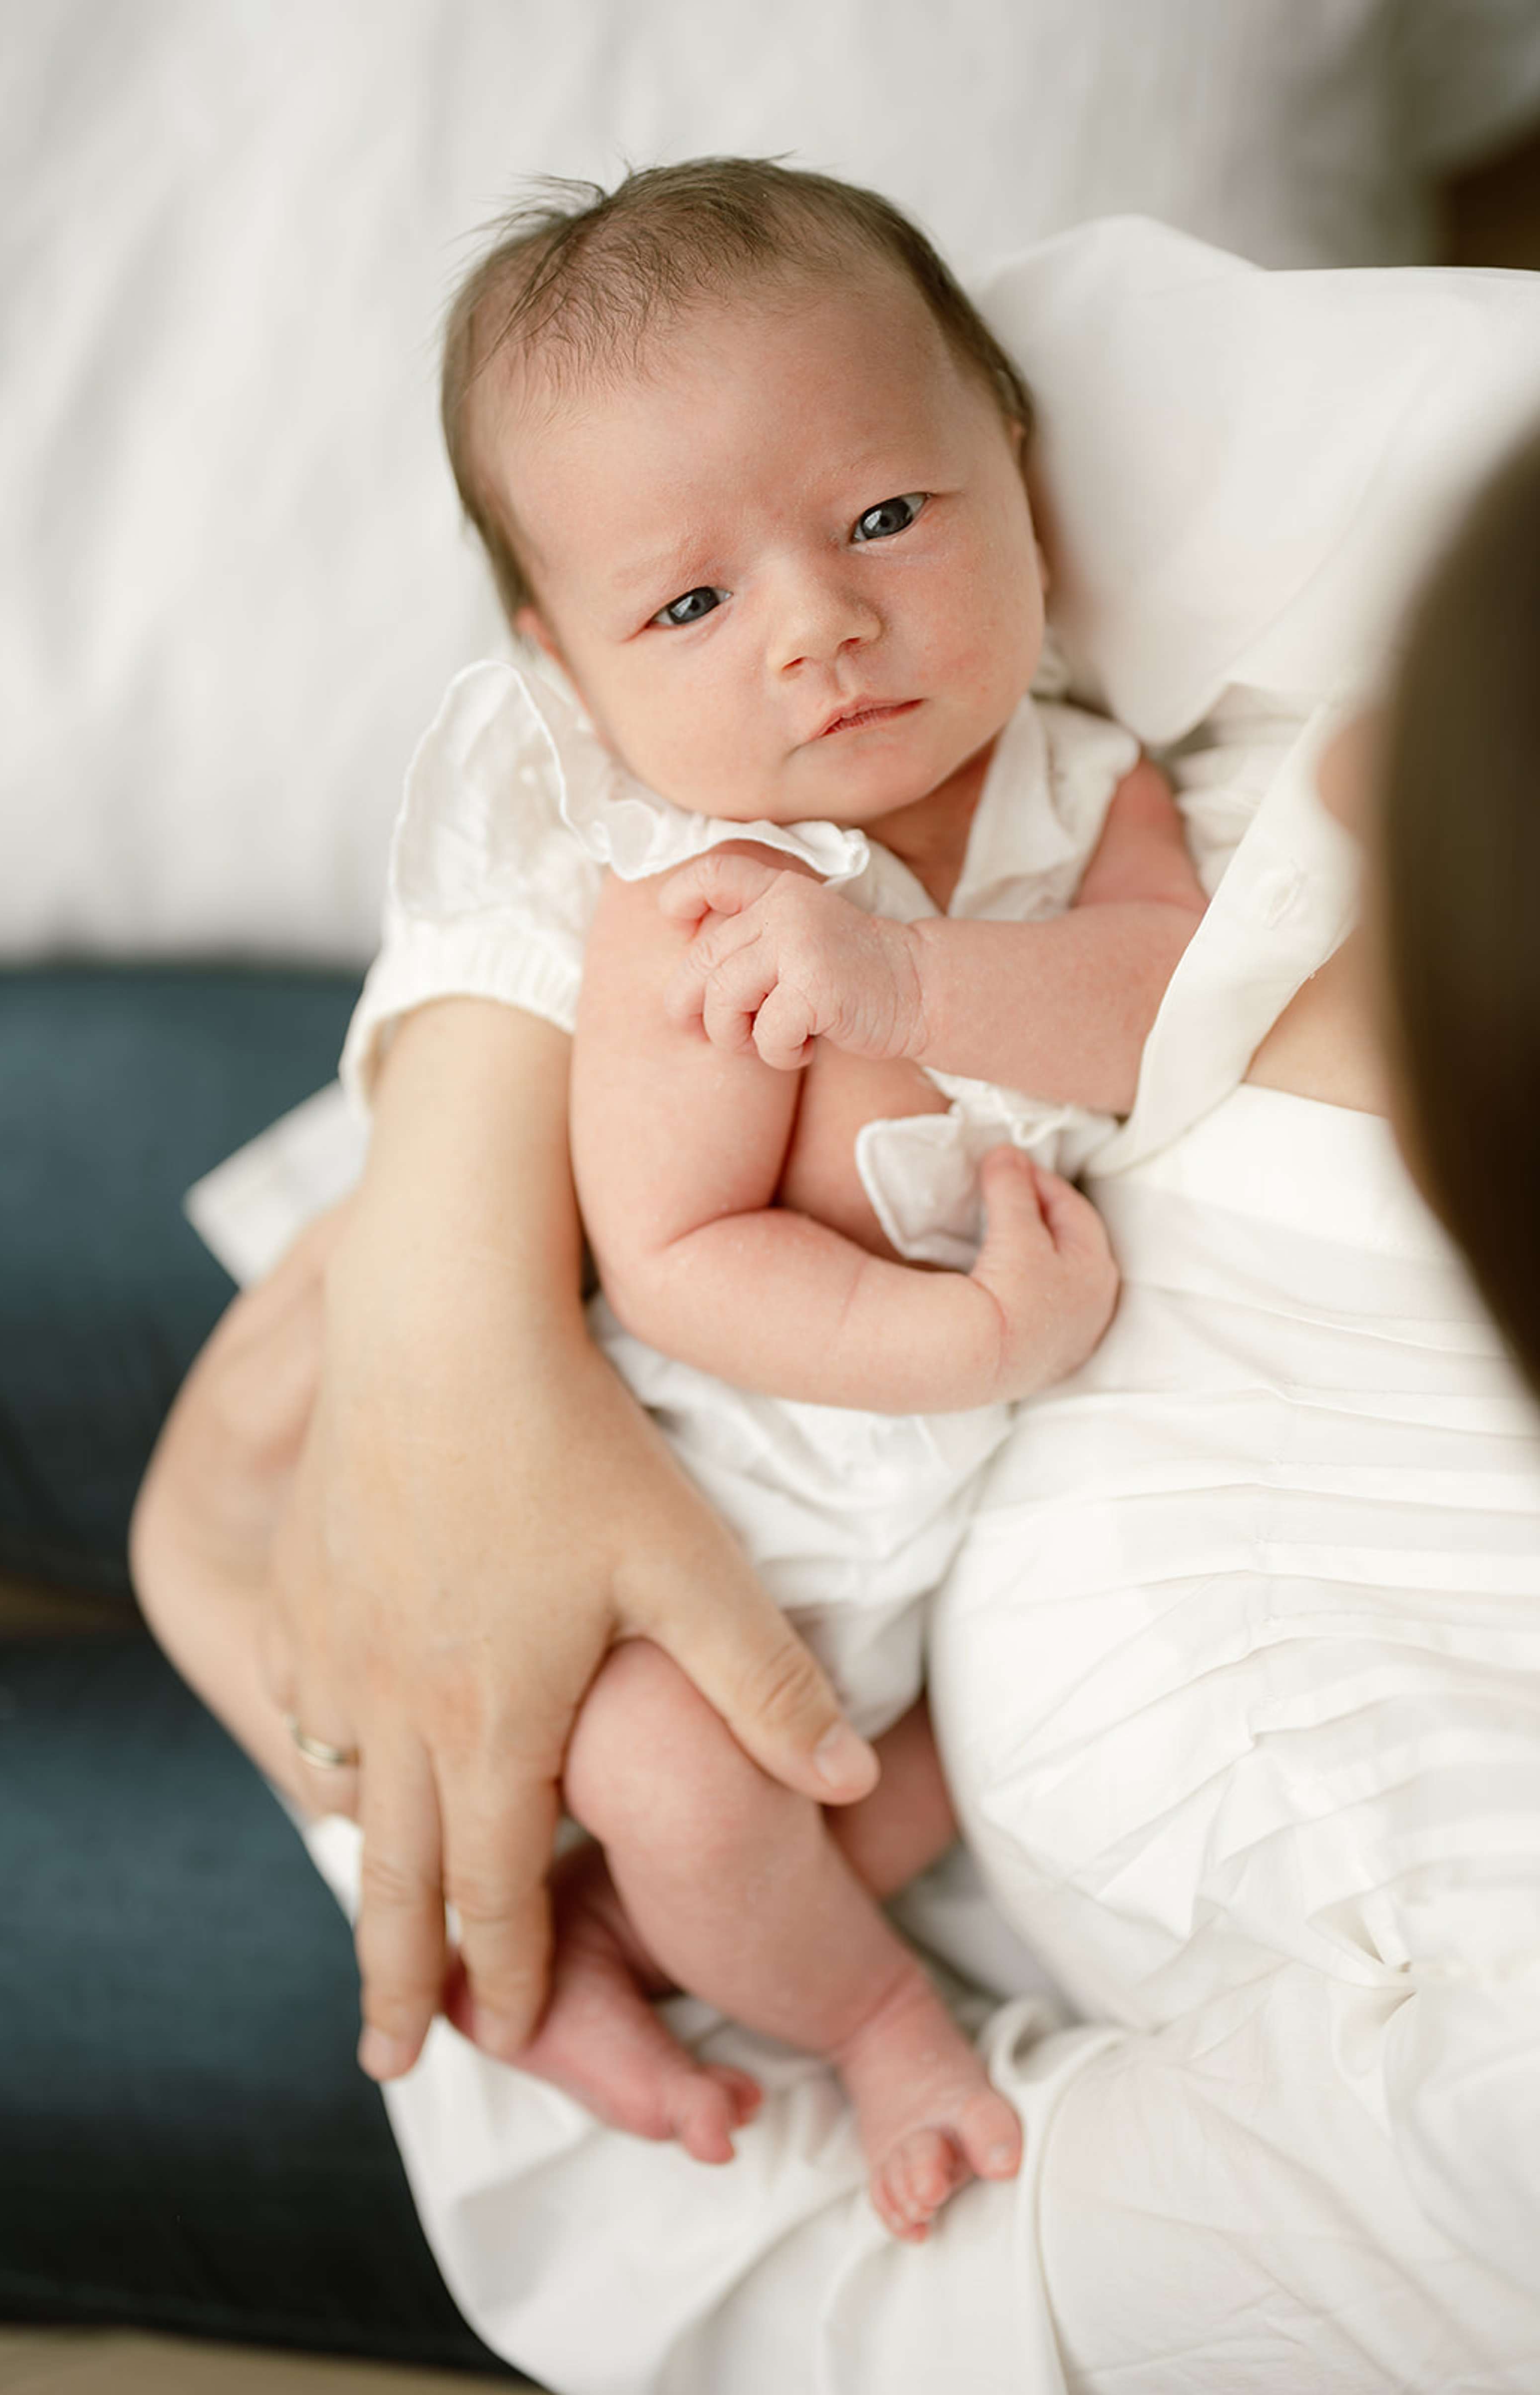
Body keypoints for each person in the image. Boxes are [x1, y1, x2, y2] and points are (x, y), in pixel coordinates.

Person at [333, 163, 1208, 2241]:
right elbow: (682, 1259)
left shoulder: (1088, 789)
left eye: (882, 518)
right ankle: (879, 2028)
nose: (818, 626)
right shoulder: (692, 917)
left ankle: (606, 1963)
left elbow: (1175, 991)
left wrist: (913, 984)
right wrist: (967, 1342)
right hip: (709, 1519)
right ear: (568, 668)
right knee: (675, 1780)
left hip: (945, 1558)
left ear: (1005, 452)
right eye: (689, 606)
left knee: (893, 1792)